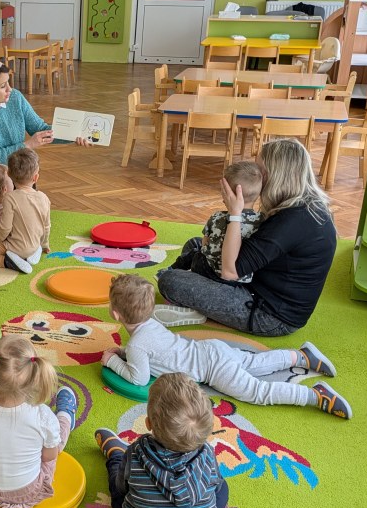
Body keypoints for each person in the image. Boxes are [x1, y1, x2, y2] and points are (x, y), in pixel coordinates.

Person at [156, 139, 337, 336]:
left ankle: (195, 305)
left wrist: (235, 214)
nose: (254, 175)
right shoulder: (305, 205)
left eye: (258, 170)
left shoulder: (290, 221)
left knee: (169, 280)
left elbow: (230, 271)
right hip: (260, 280)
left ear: (273, 175)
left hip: (269, 315)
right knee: (196, 245)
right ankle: (197, 300)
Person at [102, 274, 350, 418]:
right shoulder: (151, 325)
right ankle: (300, 357)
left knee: (258, 392)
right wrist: (124, 353)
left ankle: (315, 396)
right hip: (211, 349)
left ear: (115, 314)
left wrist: (112, 361)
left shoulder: (137, 345)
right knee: (254, 362)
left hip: (213, 369)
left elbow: (138, 377)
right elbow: (153, 352)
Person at [93, 373, 228, 508]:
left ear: (148, 423)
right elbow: (216, 487)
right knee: (222, 487)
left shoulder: (137, 451)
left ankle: (115, 454)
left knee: (117, 485)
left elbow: (121, 488)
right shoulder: (207, 454)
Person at [0, 335, 78, 508]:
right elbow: (48, 456)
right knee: (56, 441)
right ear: (35, 377)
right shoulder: (42, 415)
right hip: (27, 491)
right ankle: (66, 414)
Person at [0, 57, 88, 192]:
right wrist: (28, 145)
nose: (10, 89)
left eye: (8, 82)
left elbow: (40, 129)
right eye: (2, 86)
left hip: (20, 177)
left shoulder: (15, 97)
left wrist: (74, 135)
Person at [166, 161, 264, 284]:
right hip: (244, 278)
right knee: (193, 242)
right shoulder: (263, 220)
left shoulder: (218, 217)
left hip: (213, 273)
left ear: (229, 194)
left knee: (195, 252)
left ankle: (172, 271)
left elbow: (205, 244)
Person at [0, 148, 50, 274]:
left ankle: (7, 262)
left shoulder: (10, 198)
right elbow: (46, 226)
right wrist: (45, 244)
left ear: (9, 174)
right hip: (35, 244)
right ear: (36, 177)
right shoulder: (44, 197)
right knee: (31, 240)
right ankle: (34, 252)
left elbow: (5, 227)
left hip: (15, 247)